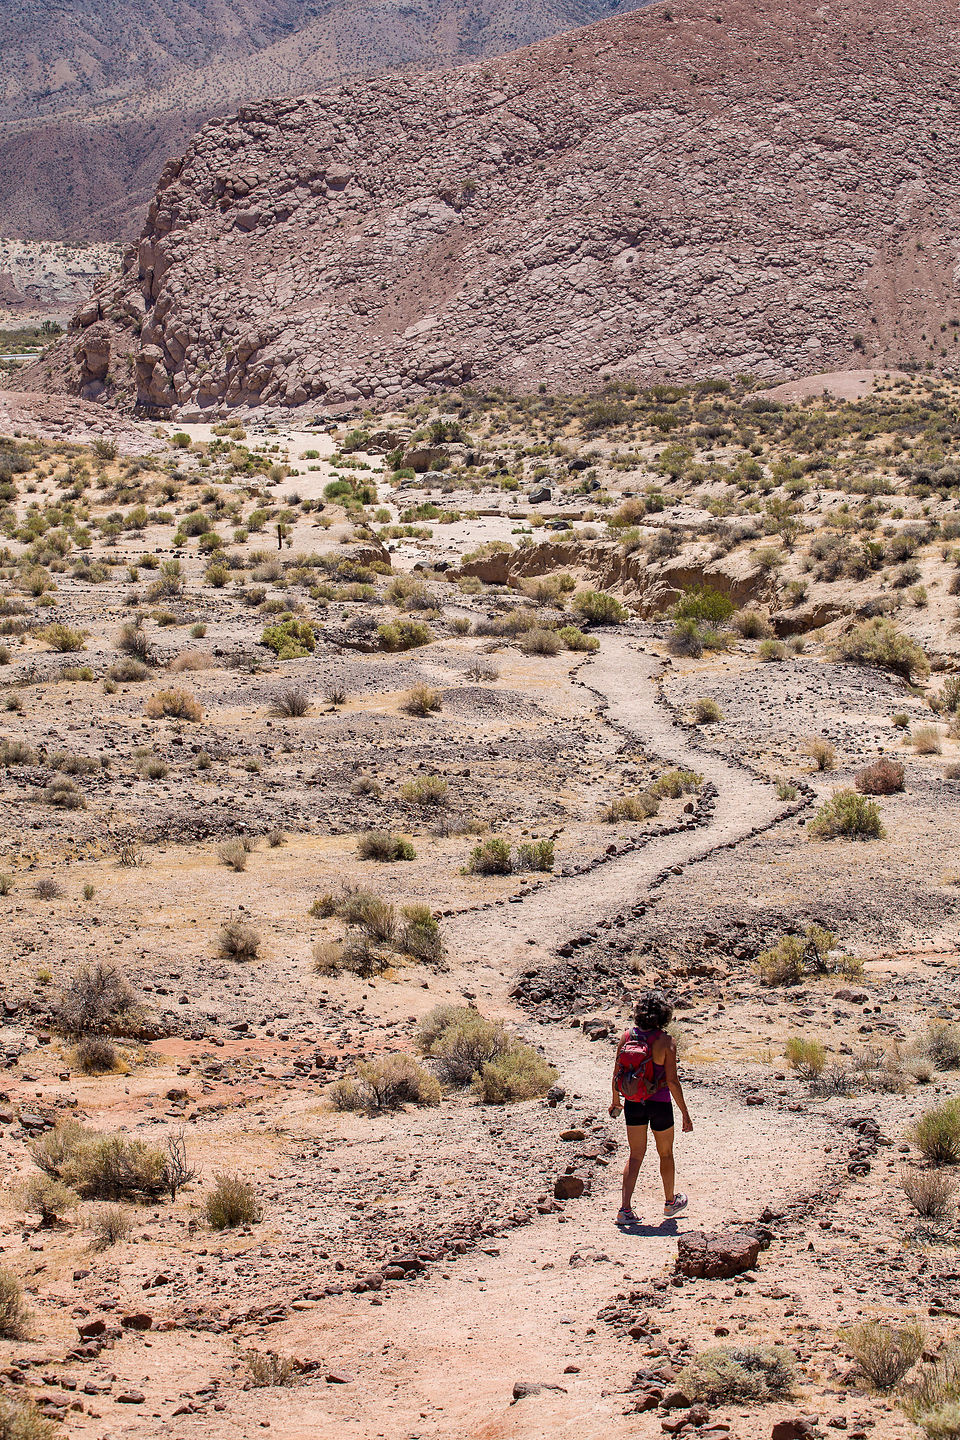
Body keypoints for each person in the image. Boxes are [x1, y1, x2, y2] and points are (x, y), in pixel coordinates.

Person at [608, 988, 693, 1227]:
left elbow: (617, 1073)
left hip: (633, 1103)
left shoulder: (627, 1037)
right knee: (665, 1153)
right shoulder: (666, 1041)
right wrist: (685, 1113)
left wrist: (616, 1101)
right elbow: (673, 1081)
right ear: (664, 1014)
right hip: (660, 1104)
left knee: (635, 1155)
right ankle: (669, 1202)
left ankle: (624, 1209)